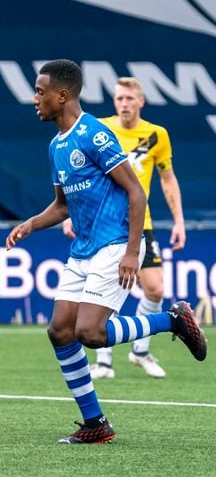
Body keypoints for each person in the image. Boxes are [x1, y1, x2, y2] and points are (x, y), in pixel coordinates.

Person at [6, 59, 206, 444]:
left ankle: (172, 321)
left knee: (91, 333)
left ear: (62, 96)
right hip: (83, 249)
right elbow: (62, 205)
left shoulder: (94, 135)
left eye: (40, 91)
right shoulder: (56, 145)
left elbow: (136, 191)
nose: (35, 99)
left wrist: (133, 251)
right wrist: (31, 223)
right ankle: (95, 424)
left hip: (115, 243)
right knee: (60, 331)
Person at [62, 77, 186, 379]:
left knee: (155, 288)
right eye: (120, 99)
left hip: (141, 223)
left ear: (141, 101)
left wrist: (179, 220)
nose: (125, 104)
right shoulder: (99, 129)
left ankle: (139, 351)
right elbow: (79, 174)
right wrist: (70, 213)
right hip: (104, 225)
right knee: (106, 292)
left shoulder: (157, 135)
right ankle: (103, 362)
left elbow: (167, 179)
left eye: (130, 98)